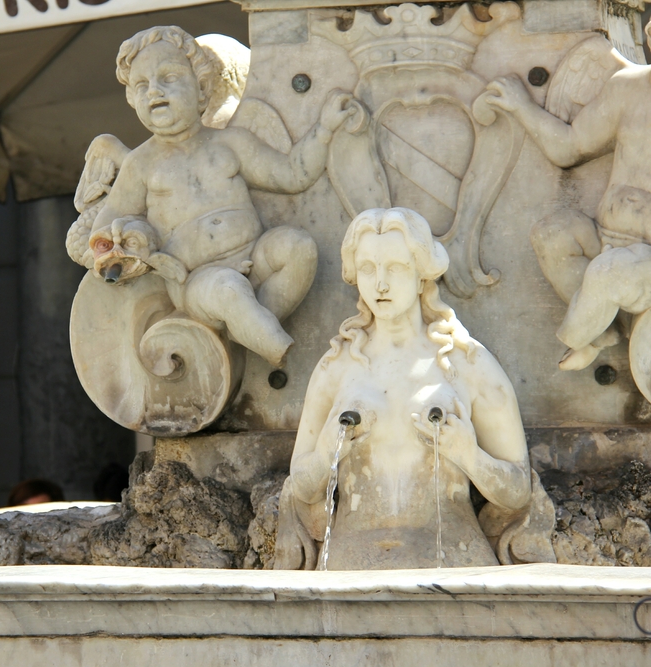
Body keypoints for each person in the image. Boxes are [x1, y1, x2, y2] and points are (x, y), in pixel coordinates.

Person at [275, 208, 532, 570]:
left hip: (453, 567)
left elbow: (518, 492)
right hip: (350, 565)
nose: (380, 283)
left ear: (421, 274)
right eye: (367, 268)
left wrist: (469, 456)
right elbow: (302, 487)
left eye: (394, 268)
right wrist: (323, 453)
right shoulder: (336, 368)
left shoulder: (468, 364)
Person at [87, 26, 355, 367]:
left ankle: (246, 327)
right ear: (132, 100)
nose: (155, 90)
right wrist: (122, 241)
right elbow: (106, 227)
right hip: (197, 281)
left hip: (255, 258)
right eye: (142, 85)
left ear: (201, 89)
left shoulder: (232, 143)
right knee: (228, 289)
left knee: (298, 247)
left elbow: (293, 174)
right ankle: (277, 347)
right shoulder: (141, 164)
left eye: (169, 78)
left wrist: (326, 128)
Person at [484, 33, 651, 370]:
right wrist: (522, 107)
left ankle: (579, 338)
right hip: (608, 241)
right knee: (553, 235)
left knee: (606, 273)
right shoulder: (628, 87)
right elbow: (570, 146)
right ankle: (601, 333)